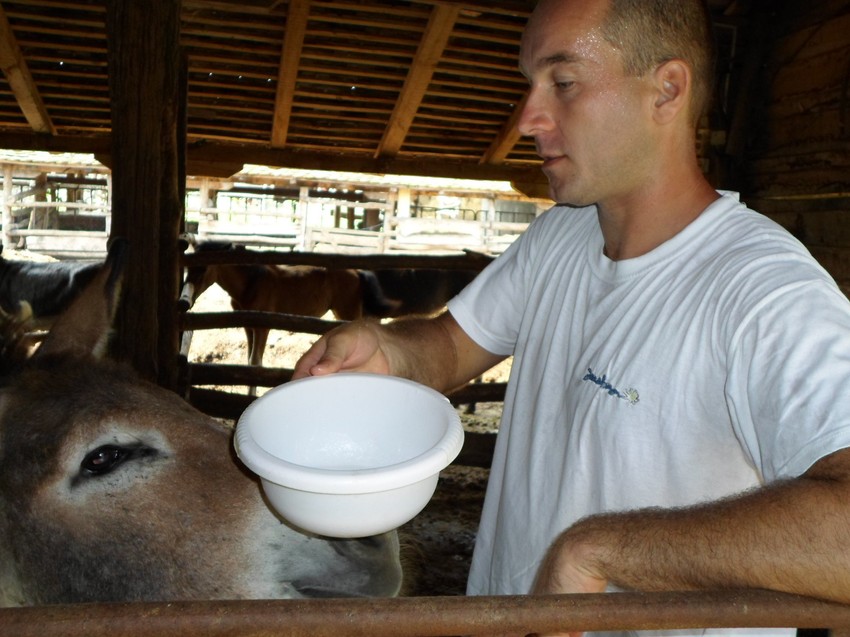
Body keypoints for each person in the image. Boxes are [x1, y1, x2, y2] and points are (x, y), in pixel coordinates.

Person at [293, 0, 850, 634]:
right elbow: (447, 346)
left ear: (666, 91)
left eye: (563, 83)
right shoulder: (559, 237)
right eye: (529, 85)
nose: (528, 118)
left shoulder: (764, 291)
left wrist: (600, 550)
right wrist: (386, 351)